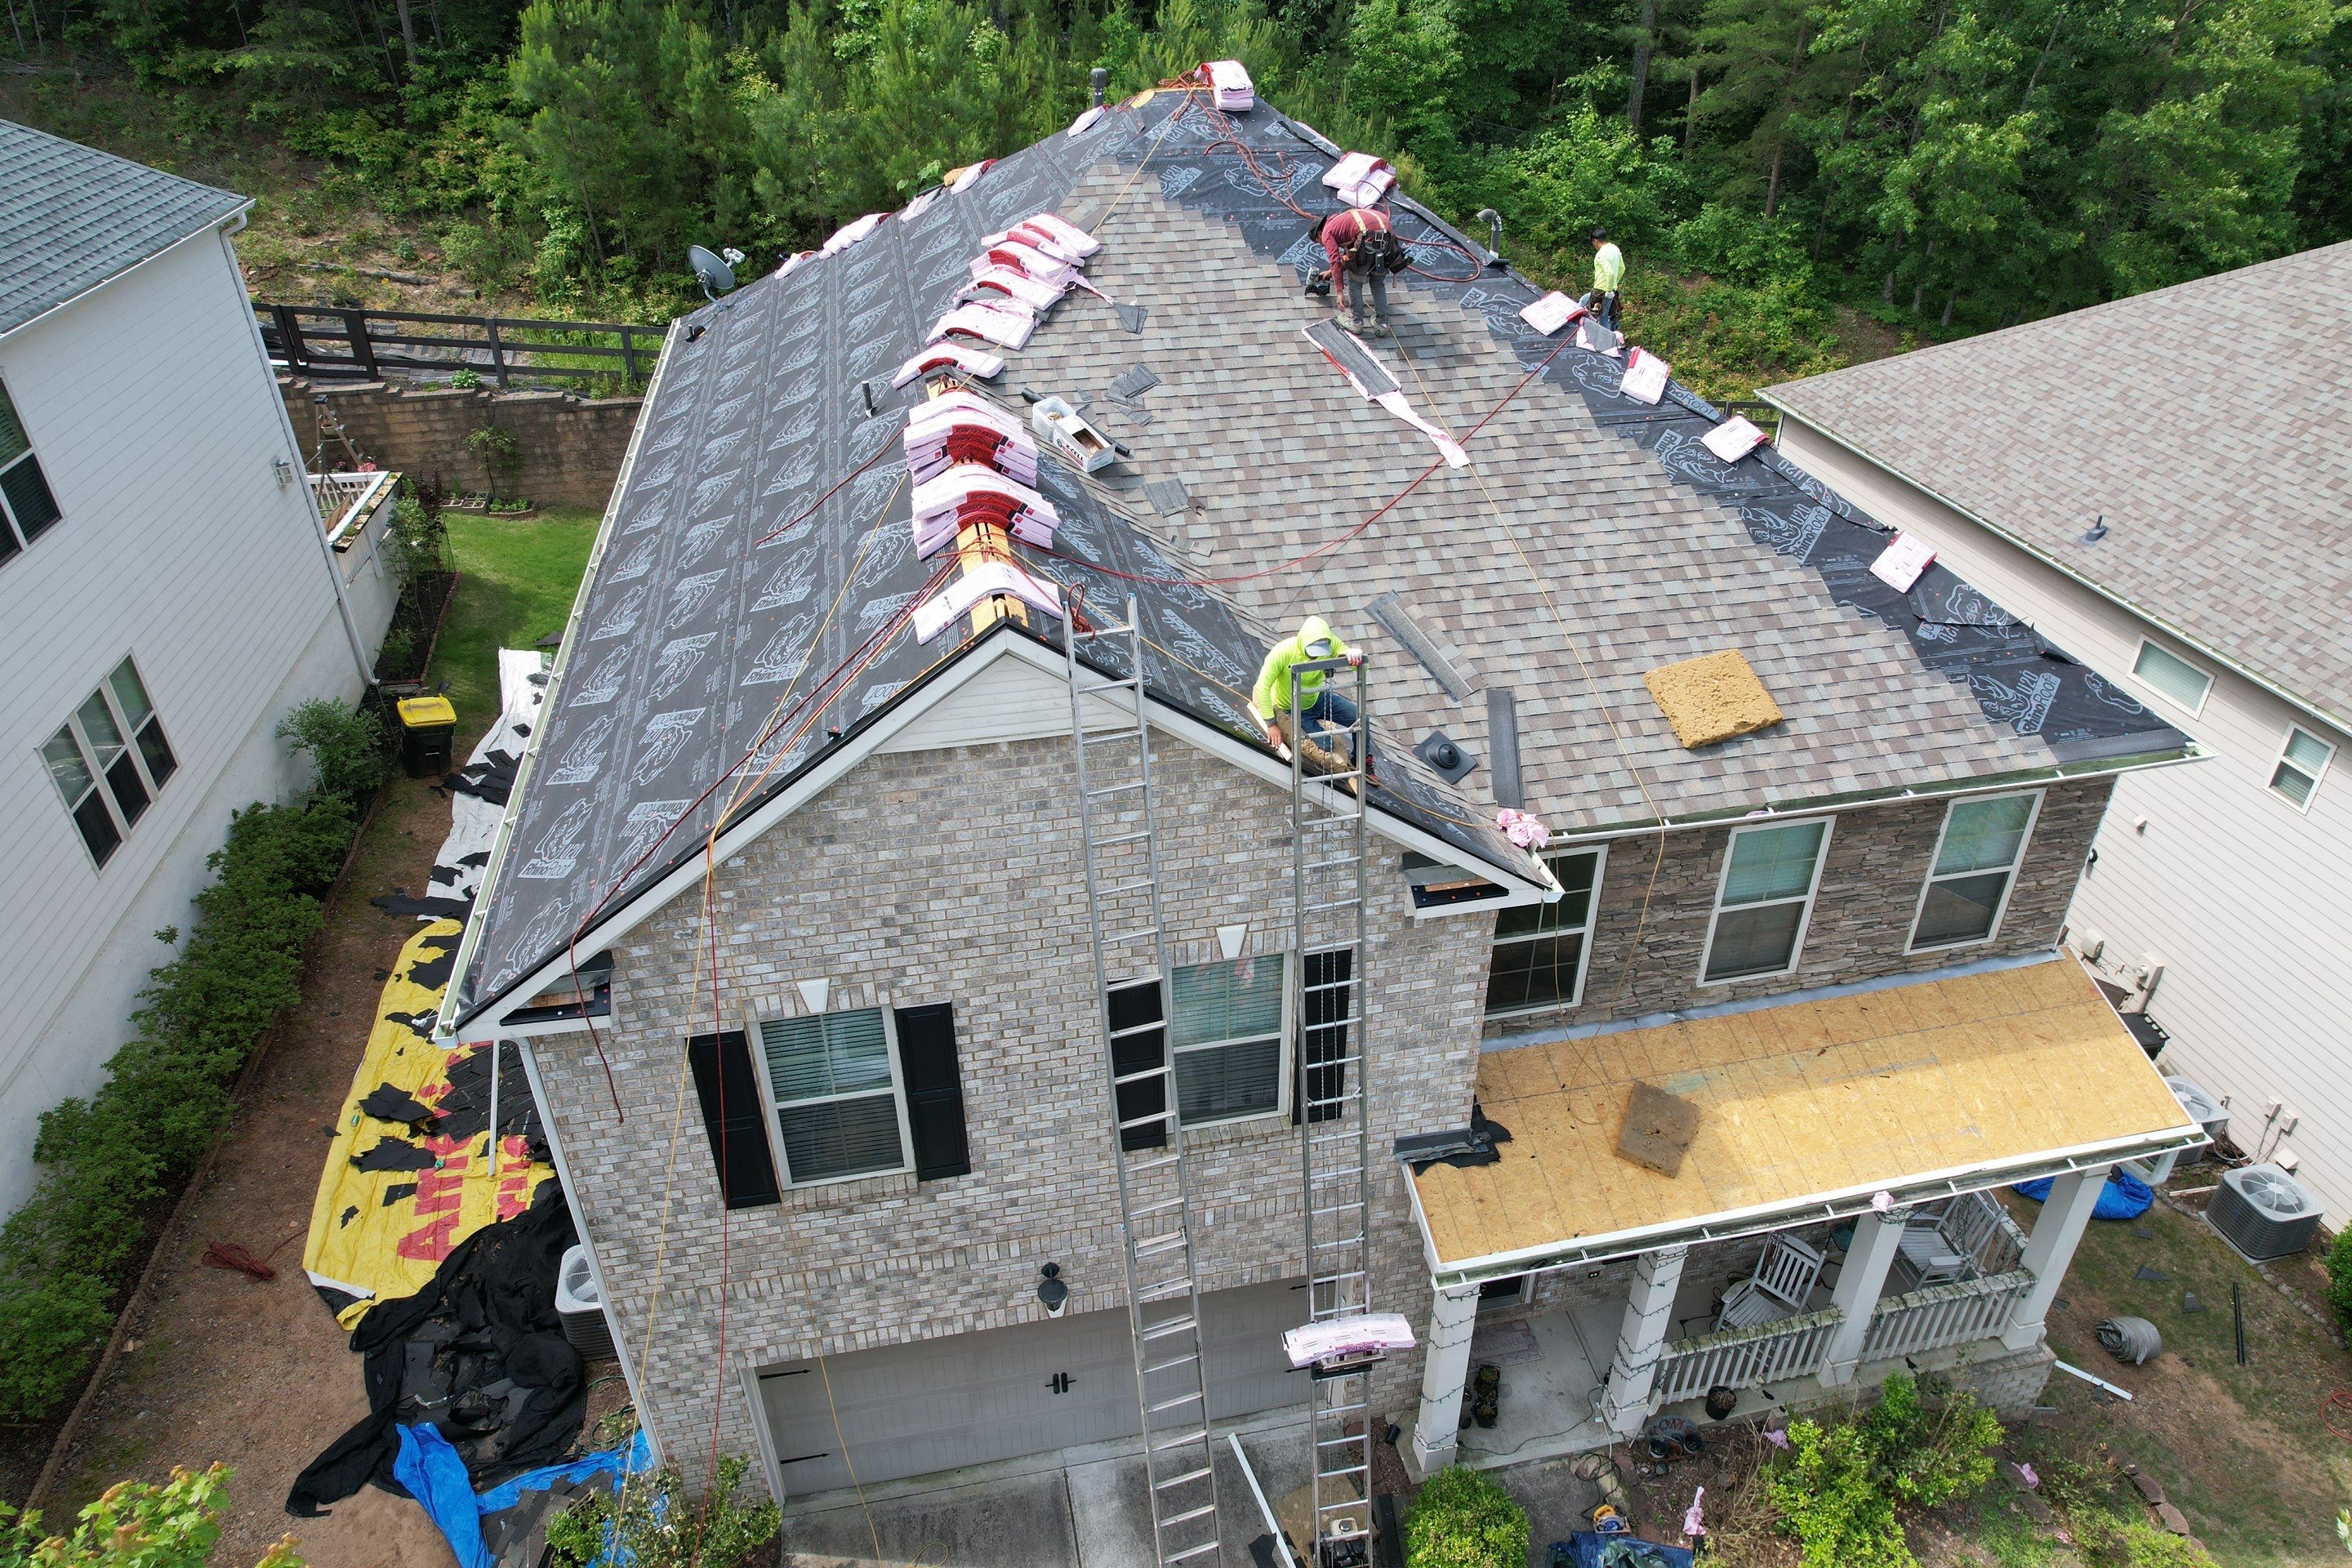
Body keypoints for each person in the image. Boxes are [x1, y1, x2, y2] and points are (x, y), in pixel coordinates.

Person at [1254, 615, 1376, 780]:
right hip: (1293, 707)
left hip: (1318, 698)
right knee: (1327, 746)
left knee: (1362, 719)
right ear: (1303, 642)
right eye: (1312, 652)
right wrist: (1271, 724)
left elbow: (1363, 669)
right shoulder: (1283, 652)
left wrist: (1356, 657)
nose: (1315, 656)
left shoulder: (1331, 643)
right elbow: (1262, 686)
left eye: (1319, 653)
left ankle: (1361, 759)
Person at [1309, 205, 1396, 336]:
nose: (1322, 245)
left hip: (1369, 237)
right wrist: (1331, 272)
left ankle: (1356, 322)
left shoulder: (1327, 232)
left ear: (1319, 233)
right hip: (1388, 238)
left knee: (1355, 280)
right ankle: (1382, 324)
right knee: (1377, 283)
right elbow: (1347, 257)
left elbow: (1335, 260)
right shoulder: (1339, 222)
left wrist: (1339, 293)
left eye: (1318, 242)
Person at [1588, 226, 1624, 330]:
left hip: (1601, 291)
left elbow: (1609, 272)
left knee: (1603, 317)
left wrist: (1608, 290)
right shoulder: (1615, 249)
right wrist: (1614, 284)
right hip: (1611, 289)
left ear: (1595, 241)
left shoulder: (1601, 254)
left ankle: (1608, 342)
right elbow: (1622, 268)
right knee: (1583, 301)